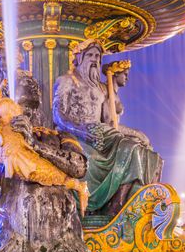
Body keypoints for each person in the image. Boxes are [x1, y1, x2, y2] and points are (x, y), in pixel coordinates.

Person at [0, 56, 94, 252]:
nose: (26, 114)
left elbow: (79, 167)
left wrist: (35, 144)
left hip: (63, 246)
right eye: (21, 106)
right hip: (14, 246)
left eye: (30, 106)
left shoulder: (59, 137)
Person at [53, 39, 163, 216]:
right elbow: (58, 116)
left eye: (98, 56)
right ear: (79, 58)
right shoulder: (66, 81)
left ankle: (126, 205)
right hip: (75, 133)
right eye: (90, 55)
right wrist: (82, 131)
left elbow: (111, 122)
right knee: (131, 149)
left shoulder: (102, 88)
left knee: (145, 151)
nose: (94, 59)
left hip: (103, 132)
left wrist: (136, 133)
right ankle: (114, 210)